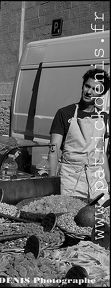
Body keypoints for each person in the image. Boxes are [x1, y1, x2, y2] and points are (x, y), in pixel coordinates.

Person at [49, 68, 110, 205]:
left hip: (96, 180)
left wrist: (108, 181)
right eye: (87, 86)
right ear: (82, 85)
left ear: (101, 94)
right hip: (71, 180)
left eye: (95, 89)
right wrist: (52, 181)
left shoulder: (103, 118)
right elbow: (53, 150)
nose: (89, 92)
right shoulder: (64, 114)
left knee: (100, 219)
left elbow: (102, 153)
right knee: (71, 217)